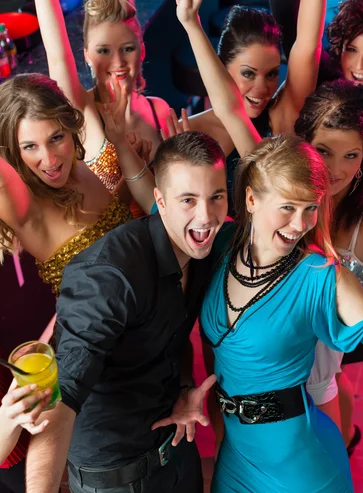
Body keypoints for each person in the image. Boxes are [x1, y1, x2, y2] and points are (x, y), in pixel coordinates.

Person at [11, 130, 229, 493]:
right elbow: (62, 395)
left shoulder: (207, 245)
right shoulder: (109, 275)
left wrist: (188, 386)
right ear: (159, 200)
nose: (206, 216)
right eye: (188, 199)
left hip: (169, 428)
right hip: (112, 465)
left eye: (216, 197)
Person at [199, 133, 363, 493]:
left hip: (296, 454)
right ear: (250, 198)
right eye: (288, 207)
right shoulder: (224, 243)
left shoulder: (321, 275)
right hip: (240, 449)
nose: (300, 223)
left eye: (311, 208)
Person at [0, 72, 155, 296]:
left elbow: (112, 219)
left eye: (56, 138)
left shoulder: (75, 165)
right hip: (105, 330)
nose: (50, 160)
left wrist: (134, 167)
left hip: (152, 301)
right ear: (11, 150)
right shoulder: (23, 206)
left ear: (70, 128)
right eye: (30, 146)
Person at [186, 0, 326, 216]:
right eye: (248, 74)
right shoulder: (191, 130)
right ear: (221, 68)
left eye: (271, 74)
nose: (261, 88)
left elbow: (308, 47)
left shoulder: (284, 113)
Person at [34, 0, 170, 209]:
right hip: (114, 240)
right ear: (87, 55)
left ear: (141, 50)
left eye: (127, 48)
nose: (118, 62)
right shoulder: (81, 110)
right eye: (104, 51)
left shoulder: (158, 109)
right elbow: (57, 56)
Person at [270, 0, 363, 185]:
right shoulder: (319, 86)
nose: (359, 65)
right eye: (352, 49)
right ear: (340, 48)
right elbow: (291, 20)